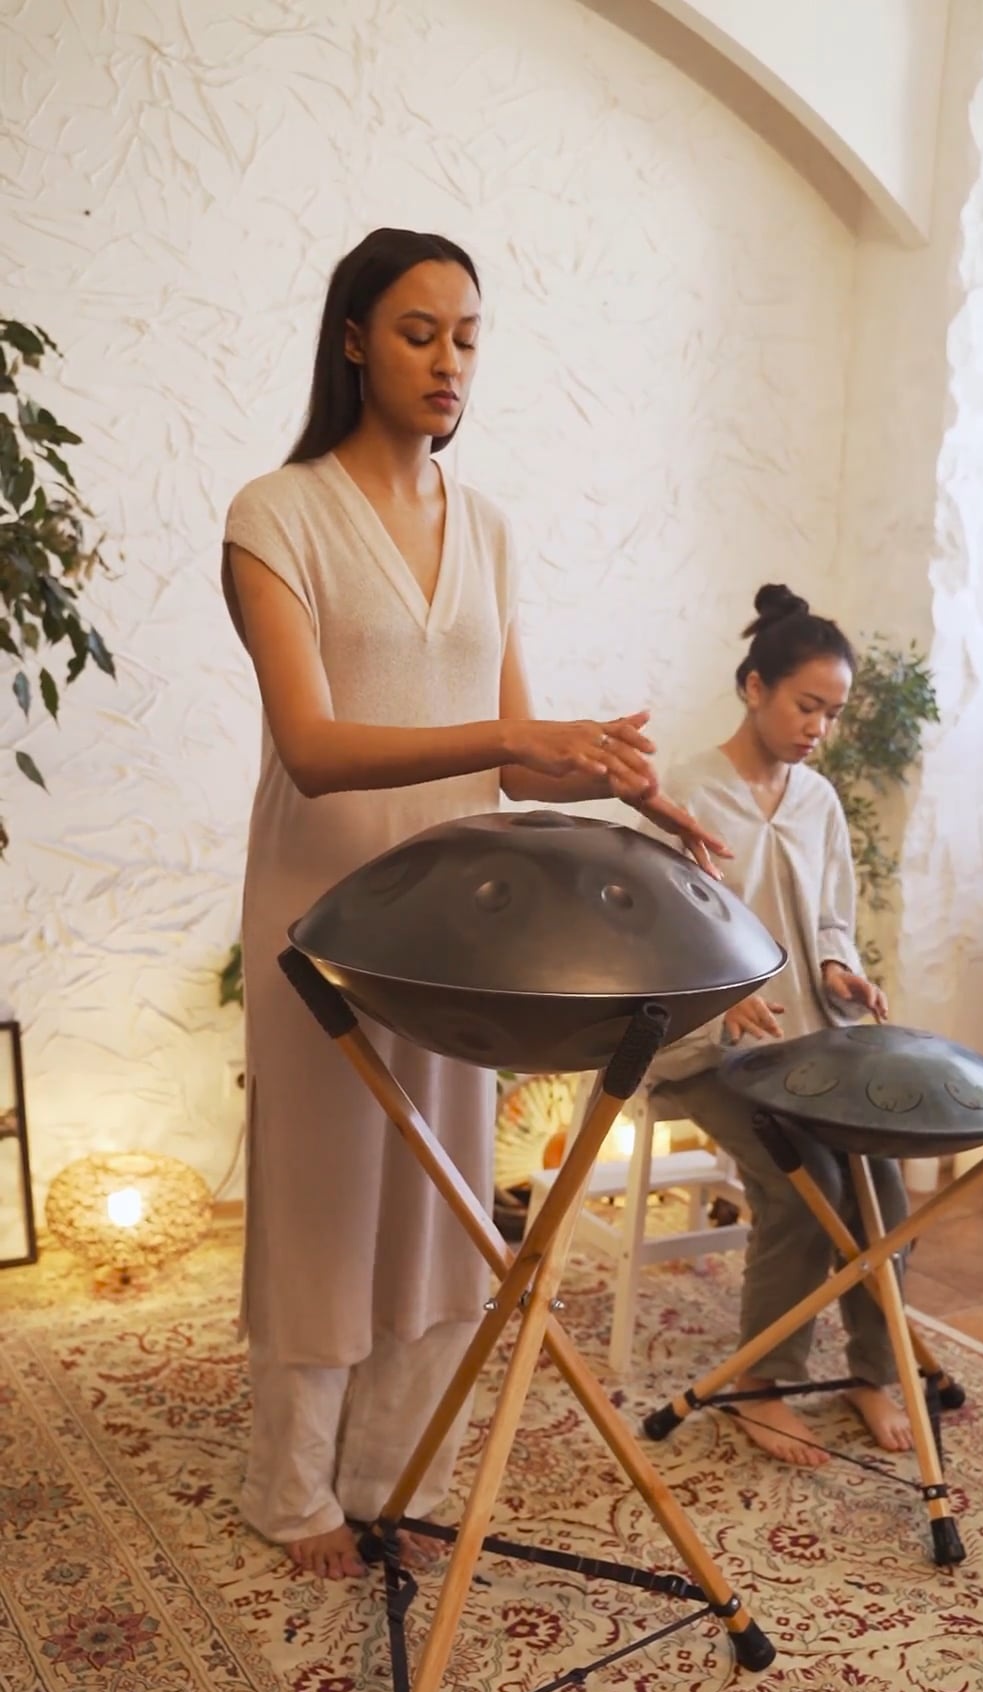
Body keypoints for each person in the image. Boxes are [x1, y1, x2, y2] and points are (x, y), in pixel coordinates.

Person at [222, 227, 729, 1579]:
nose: (448, 362)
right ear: (351, 340)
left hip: (460, 912)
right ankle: (292, 1491)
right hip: (322, 900)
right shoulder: (275, 514)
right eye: (416, 332)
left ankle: (399, 1467)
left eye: (466, 337)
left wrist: (630, 793)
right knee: (327, 1191)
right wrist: (522, 738)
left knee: (441, 1193)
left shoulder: (489, 527)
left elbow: (512, 743)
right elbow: (317, 747)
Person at [648, 584, 914, 1468]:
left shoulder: (819, 802)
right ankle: (759, 1385)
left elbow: (833, 920)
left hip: (809, 1043)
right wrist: (722, 1000)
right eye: (808, 706)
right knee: (808, 1184)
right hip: (704, 1053)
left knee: (882, 1179)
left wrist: (839, 966)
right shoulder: (685, 792)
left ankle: (876, 1370)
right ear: (754, 686)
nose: (818, 729)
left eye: (833, 715)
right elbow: (656, 936)